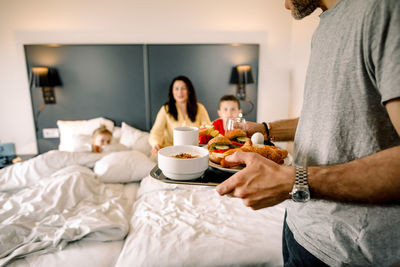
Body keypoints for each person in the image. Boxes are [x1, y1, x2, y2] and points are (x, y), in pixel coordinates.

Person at [216, 0, 400, 266]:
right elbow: (327, 118)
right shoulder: (323, 29)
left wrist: (294, 179)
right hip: (297, 226)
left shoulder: (382, 8)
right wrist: (265, 129)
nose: (284, 4)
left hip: (345, 252)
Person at [149, 75, 211, 155]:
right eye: (176, 88)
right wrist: (156, 144)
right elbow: (156, 133)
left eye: (183, 88)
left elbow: (208, 129)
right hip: (170, 152)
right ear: (172, 92)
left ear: (189, 91)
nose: (180, 92)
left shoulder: (200, 108)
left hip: (194, 152)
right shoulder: (166, 109)